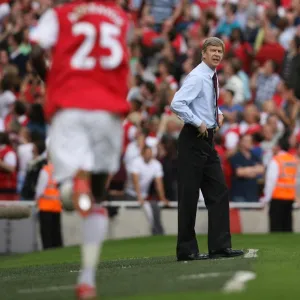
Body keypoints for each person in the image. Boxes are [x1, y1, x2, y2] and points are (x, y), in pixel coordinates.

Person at [29, 1, 130, 299]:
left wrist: (51, 80)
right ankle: (87, 280)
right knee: (99, 196)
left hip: (71, 106)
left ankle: (74, 182)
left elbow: (35, 51)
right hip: (108, 111)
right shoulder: (121, 17)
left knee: (70, 193)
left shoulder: (59, 14)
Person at [170, 37, 244, 261]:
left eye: (219, 51)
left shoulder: (211, 76)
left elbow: (206, 102)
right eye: (212, 50)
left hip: (206, 141)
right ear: (203, 53)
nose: (216, 54)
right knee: (189, 196)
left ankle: (220, 246)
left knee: (219, 191)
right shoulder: (197, 76)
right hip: (193, 138)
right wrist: (197, 122)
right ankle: (186, 250)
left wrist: (216, 114)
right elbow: (177, 103)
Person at [260, 137, 297, 232]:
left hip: (277, 196)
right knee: (287, 226)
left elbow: (271, 181)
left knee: (276, 227)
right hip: (290, 197)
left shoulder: (276, 160)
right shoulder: (293, 160)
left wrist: (266, 197)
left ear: (278, 147)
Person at [36, 162, 63, 250]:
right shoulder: (59, 170)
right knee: (56, 234)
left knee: (46, 235)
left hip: (45, 206)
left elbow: (39, 191)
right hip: (56, 206)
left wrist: (36, 198)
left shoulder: (45, 171)